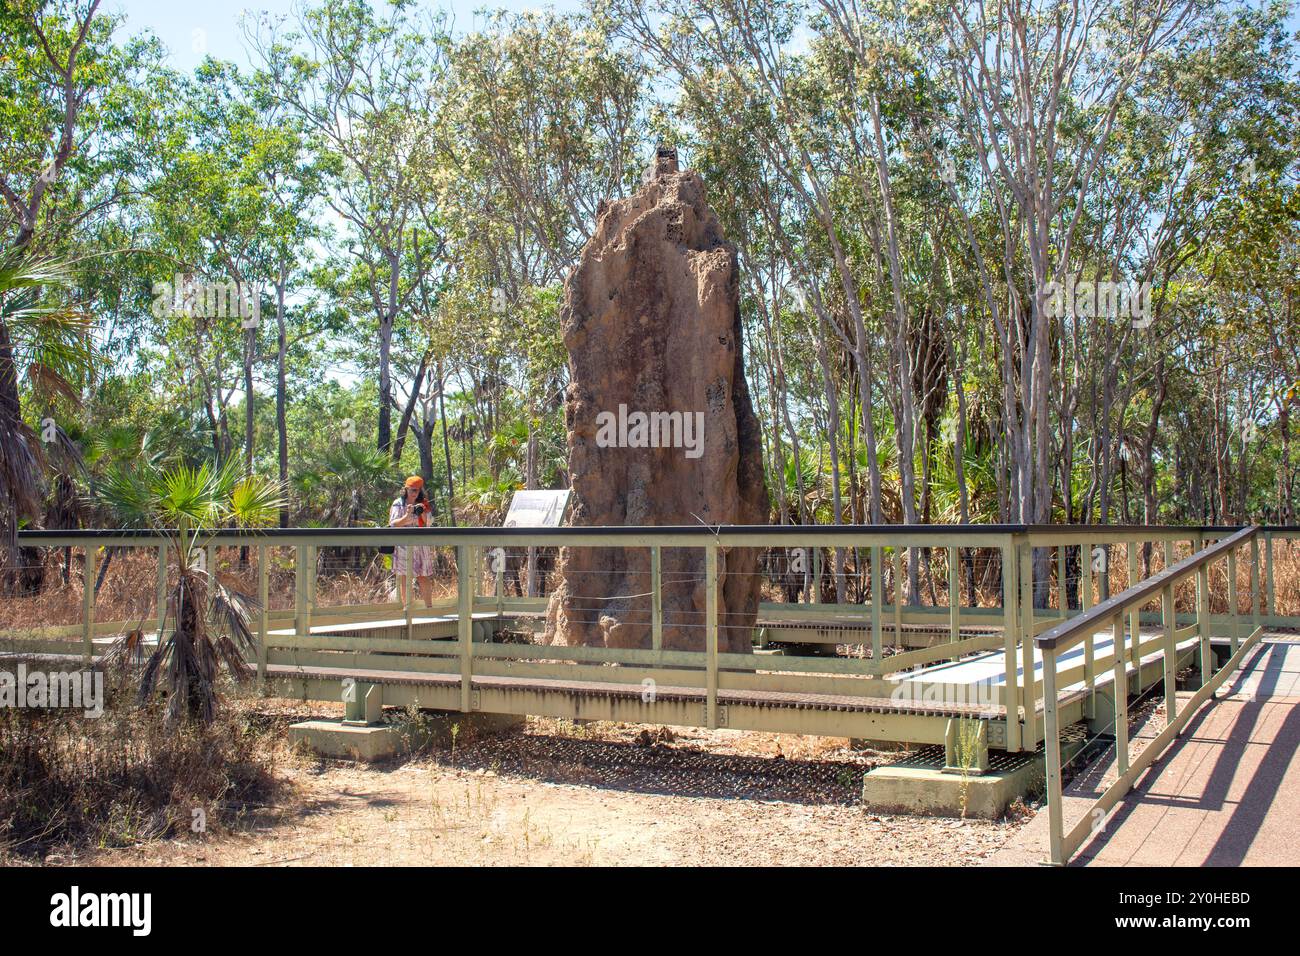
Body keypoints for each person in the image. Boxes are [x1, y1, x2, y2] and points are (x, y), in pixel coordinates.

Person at [389, 476, 434, 607]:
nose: (415, 493)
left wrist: (422, 512)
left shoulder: (423, 503)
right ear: (406, 489)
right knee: (404, 577)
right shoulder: (398, 503)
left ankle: (429, 609)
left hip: (421, 545)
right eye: (413, 490)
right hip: (403, 545)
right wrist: (406, 515)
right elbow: (393, 524)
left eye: (418, 490)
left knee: (423, 576)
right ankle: (408, 609)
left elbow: (429, 522)